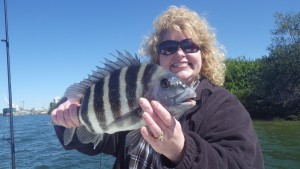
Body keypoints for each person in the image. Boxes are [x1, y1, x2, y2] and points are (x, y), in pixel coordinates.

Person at [51, 6, 264, 169]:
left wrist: (181, 150)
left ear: (203, 53)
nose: (180, 53)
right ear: (157, 57)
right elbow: (89, 142)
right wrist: (66, 113)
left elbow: (241, 163)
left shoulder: (223, 106)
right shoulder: (139, 97)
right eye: (168, 47)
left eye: (190, 46)